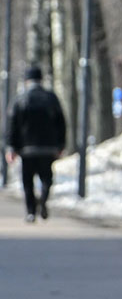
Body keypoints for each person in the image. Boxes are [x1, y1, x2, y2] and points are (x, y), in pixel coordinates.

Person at [5, 65, 66, 223]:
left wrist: (11, 147)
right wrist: (60, 144)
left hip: (27, 148)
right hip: (48, 147)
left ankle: (31, 211)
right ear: (41, 79)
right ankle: (43, 200)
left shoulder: (20, 99)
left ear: (26, 81)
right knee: (46, 178)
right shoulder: (51, 98)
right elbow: (61, 122)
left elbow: (13, 125)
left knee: (27, 180)